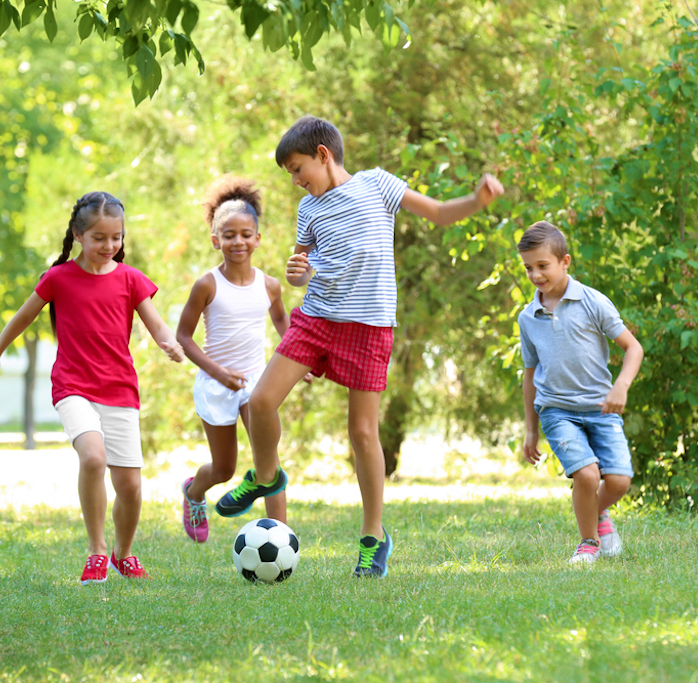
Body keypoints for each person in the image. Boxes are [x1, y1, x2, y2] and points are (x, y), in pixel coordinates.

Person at [214, 115, 504, 578]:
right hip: (316, 318)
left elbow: (437, 212)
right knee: (262, 401)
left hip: (369, 327)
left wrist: (476, 200)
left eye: (297, 168)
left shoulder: (377, 185)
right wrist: (298, 275)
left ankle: (373, 538)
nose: (294, 181)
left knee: (363, 433)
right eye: (289, 173)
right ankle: (264, 477)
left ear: (323, 155)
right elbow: (306, 266)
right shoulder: (308, 210)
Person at [0, 192, 184, 584]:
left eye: (116, 238)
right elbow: (22, 317)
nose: (109, 246)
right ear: (78, 235)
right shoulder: (58, 278)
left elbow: (155, 323)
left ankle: (122, 553)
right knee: (93, 458)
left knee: (129, 486)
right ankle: (95, 551)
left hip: (119, 388)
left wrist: (168, 342)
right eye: (99, 238)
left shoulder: (130, 279)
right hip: (73, 384)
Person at [175, 175, 298, 543]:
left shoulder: (270, 285)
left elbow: (281, 321)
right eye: (229, 235)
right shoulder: (207, 285)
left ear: (258, 238)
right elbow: (184, 336)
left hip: (257, 385)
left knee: (268, 462)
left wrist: (297, 359)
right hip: (216, 383)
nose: (238, 241)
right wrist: (217, 371)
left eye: (246, 234)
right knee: (225, 469)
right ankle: (194, 492)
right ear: (216, 240)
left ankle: (281, 537)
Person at [517, 220, 644, 564]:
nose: (535, 274)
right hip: (556, 409)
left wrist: (621, 386)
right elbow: (530, 374)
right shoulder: (528, 317)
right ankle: (588, 542)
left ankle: (597, 514)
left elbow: (633, 348)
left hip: (601, 407)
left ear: (565, 262)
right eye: (528, 267)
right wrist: (531, 429)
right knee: (587, 475)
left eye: (542, 266)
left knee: (618, 481)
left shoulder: (592, 302)